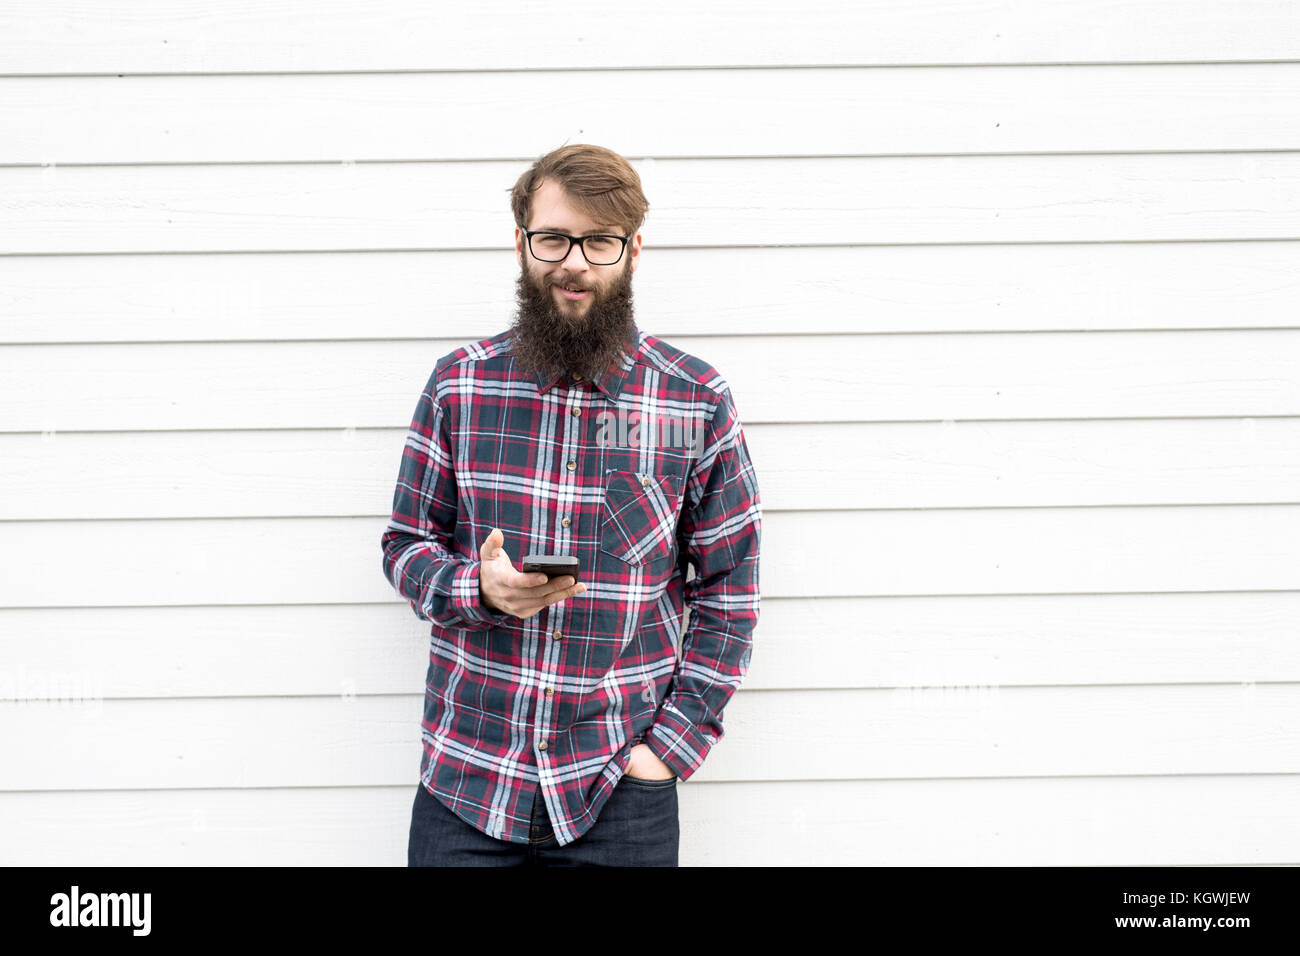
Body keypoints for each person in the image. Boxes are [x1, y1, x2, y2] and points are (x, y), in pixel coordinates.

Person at [380, 143, 762, 866]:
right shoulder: (460, 385)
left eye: (599, 240)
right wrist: (476, 588)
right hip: (467, 784)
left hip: (618, 793)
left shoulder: (694, 401)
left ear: (634, 249)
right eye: (553, 237)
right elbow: (405, 544)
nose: (574, 262)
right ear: (522, 241)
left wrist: (668, 749)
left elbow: (730, 593)